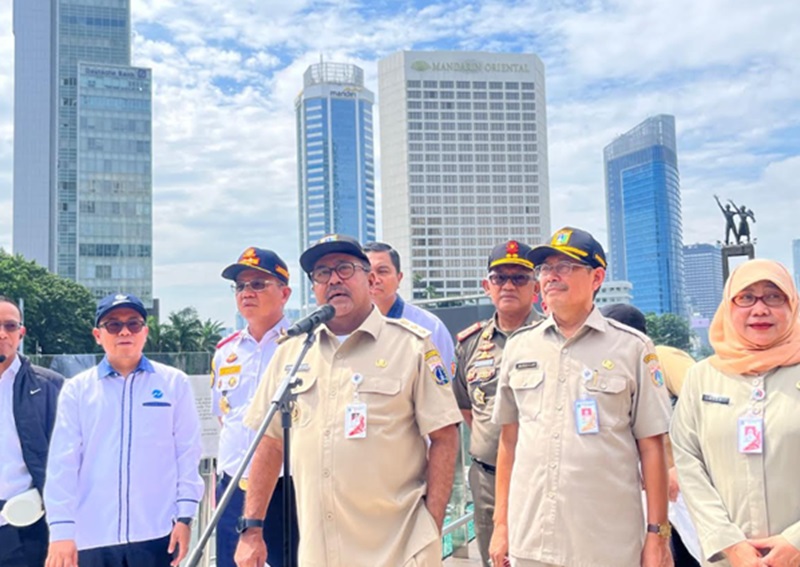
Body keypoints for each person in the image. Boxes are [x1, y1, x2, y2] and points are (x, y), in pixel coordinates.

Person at [235, 234, 462, 567]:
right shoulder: (292, 352)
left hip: (397, 549)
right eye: (322, 273)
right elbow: (269, 445)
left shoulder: (411, 346)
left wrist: (432, 523)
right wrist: (251, 529)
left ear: (369, 279)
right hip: (319, 550)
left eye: (344, 268)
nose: (334, 280)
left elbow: (445, 436)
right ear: (314, 287)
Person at [490, 227, 674, 567]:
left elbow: (652, 445)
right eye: (545, 268)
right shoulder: (519, 346)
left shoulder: (632, 348)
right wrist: (501, 525)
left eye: (565, 267)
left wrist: (657, 535)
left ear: (597, 277)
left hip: (607, 544)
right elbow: (509, 441)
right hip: (532, 540)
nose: (551, 276)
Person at [44, 293, 203, 567]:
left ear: (145, 332)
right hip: (93, 534)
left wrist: (185, 516)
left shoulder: (173, 383)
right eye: (113, 325)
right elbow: (63, 463)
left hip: (156, 531)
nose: (125, 331)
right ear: (97, 334)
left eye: (134, 323)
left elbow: (187, 453)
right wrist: (61, 530)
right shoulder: (78, 389)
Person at [671, 259, 800, 567]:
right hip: (730, 560)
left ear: (792, 305)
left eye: (773, 296)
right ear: (729, 307)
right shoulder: (701, 377)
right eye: (745, 297)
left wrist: (794, 541)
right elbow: (688, 463)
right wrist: (729, 543)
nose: (760, 309)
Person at [452, 240, 540, 567]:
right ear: (486, 286)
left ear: (536, 287)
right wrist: (496, 440)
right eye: (500, 277)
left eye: (519, 278)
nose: (508, 285)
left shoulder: (553, 336)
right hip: (487, 478)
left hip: (540, 475)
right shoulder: (471, 344)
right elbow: (464, 405)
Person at [213, 248, 298, 567]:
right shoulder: (226, 352)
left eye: (259, 284)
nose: (247, 292)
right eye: (240, 286)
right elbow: (225, 417)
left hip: (287, 486)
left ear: (285, 293)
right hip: (235, 485)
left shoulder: (305, 345)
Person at [601, 303, 701, 567]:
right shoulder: (607, 365)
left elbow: (700, 408)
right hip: (630, 482)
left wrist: (678, 466)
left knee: (683, 548)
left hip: (672, 478)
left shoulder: (660, 357)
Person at [0, 297, 64, 567]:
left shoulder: (49, 387)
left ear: (21, 333)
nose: (2, 333)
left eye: (10, 326)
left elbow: (71, 460)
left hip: (25, 526)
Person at [363, 241, 455, 375]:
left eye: (382, 271)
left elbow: (446, 385)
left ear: (399, 278)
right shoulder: (346, 328)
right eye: (367, 272)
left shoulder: (429, 326)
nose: (374, 279)